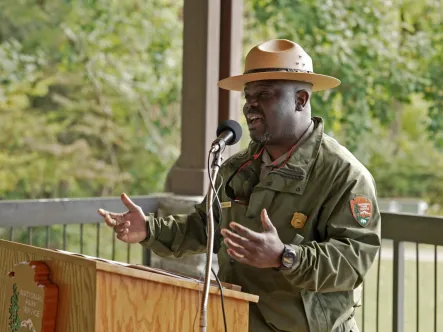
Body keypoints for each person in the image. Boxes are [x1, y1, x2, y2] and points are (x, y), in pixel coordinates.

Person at [98, 39, 381, 332]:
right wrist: (149, 229)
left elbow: (353, 261)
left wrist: (284, 256)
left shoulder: (344, 175)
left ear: (300, 100)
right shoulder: (237, 168)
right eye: (247, 97)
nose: (250, 106)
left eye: (264, 94)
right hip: (238, 323)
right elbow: (205, 229)